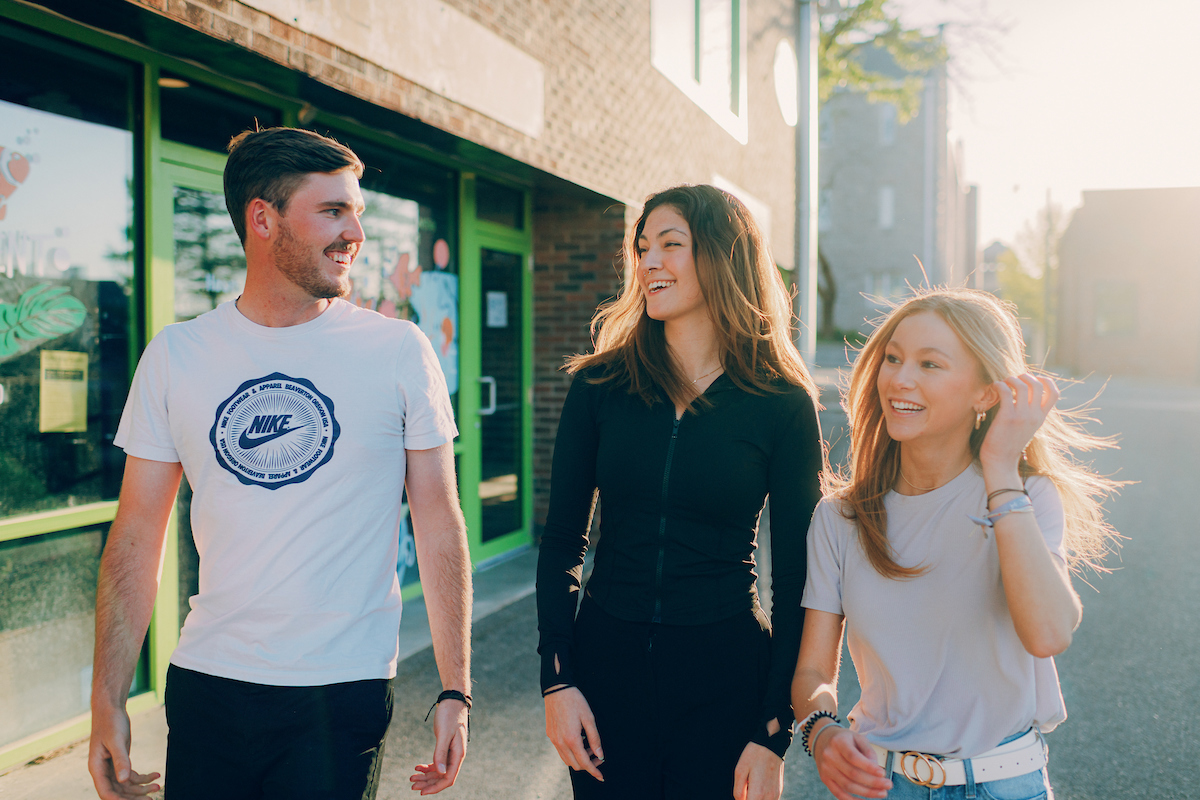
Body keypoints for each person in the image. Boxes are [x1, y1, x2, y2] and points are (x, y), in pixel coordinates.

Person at [87, 127, 472, 800]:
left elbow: (439, 521)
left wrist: (455, 688)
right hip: (209, 682)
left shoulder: (399, 350)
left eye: (356, 211)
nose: (355, 231)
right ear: (262, 219)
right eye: (332, 211)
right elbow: (137, 535)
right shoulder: (178, 354)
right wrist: (107, 700)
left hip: (340, 689)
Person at [536, 184, 824, 800]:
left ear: (724, 256)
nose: (648, 263)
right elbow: (563, 539)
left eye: (671, 245)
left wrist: (773, 730)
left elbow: (800, 577)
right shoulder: (600, 387)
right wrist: (557, 680)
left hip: (724, 683)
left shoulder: (781, 404)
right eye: (642, 248)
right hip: (604, 677)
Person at [791, 288, 1120, 800]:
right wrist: (822, 731)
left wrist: (1001, 469)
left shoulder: (1026, 495)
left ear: (986, 392)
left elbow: (1049, 633)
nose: (900, 378)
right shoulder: (841, 517)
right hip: (882, 786)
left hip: (1006, 784)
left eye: (930, 364)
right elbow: (813, 669)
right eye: (893, 358)